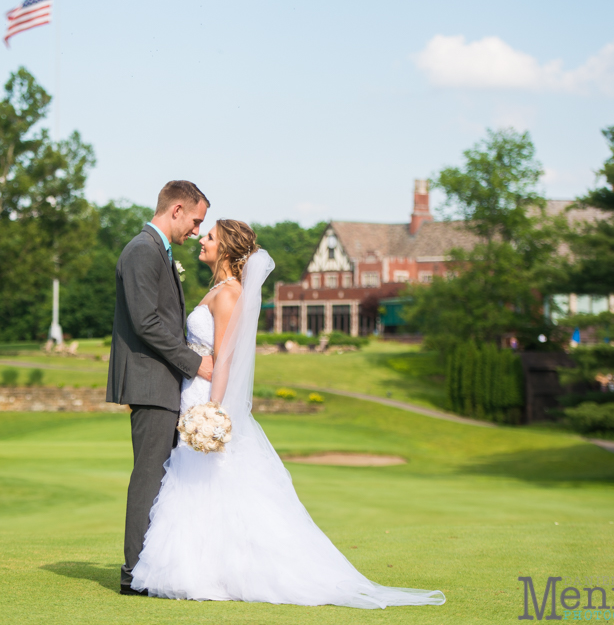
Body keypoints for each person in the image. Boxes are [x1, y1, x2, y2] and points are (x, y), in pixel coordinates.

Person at [129, 219, 446, 610]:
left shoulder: (229, 294)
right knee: (192, 481)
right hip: (191, 393)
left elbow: (225, 359)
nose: (201, 240)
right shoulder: (216, 289)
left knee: (210, 481)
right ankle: (200, 567)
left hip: (205, 399)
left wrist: (214, 409)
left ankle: (214, 571)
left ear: (226, 250)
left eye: (209, 237)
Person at [106, 180, 215, 596]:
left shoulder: (159, 252)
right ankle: (134, 574)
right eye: (195, 221)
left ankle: (154, 565)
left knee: (160, 477)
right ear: (176, 210)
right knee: (149, 477)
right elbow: (146, 322)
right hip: (151, 382)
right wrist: (196, 363)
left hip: (164, 382)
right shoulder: (141, 250)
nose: (195, 230)